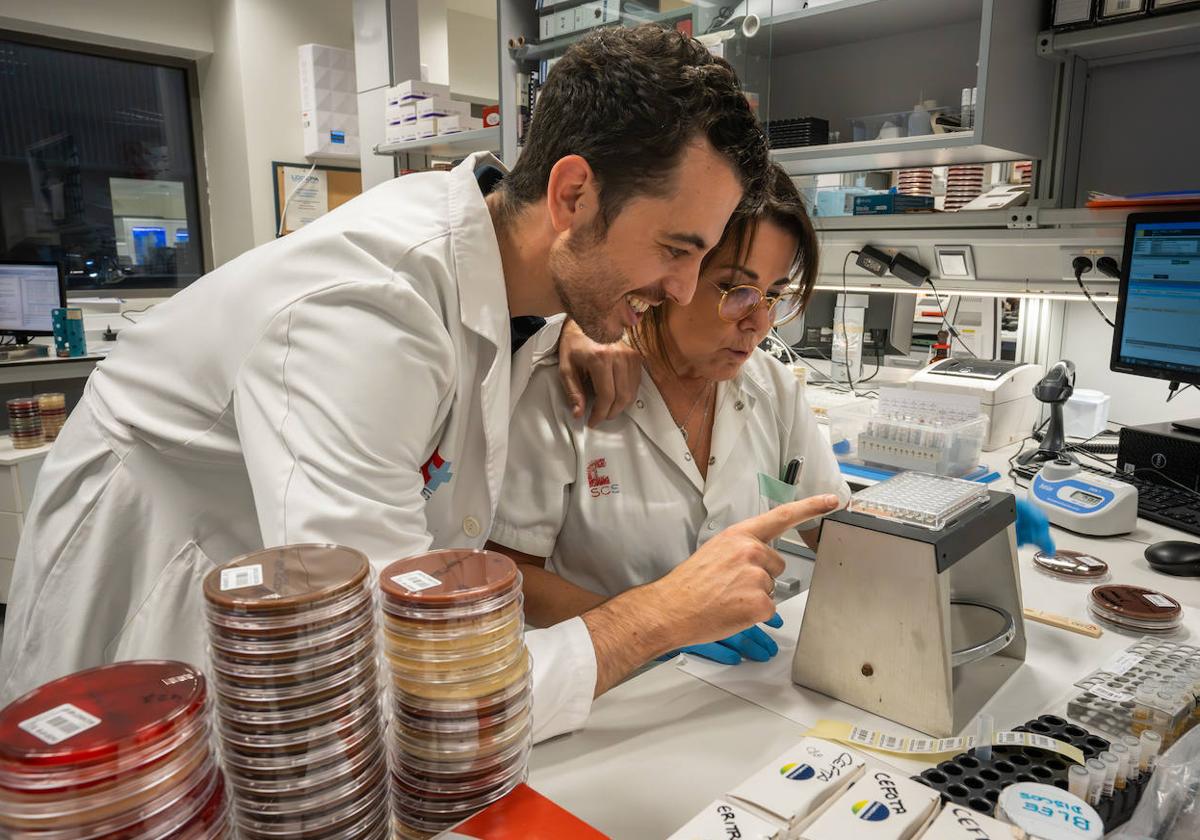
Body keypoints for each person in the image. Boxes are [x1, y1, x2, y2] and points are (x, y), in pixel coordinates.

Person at [0, 26, 838, 744]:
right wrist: (656, 618)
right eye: (678, 249)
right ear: (575, 193)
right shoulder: (364, 313)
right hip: (156, 597)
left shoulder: (517, 282)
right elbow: (386, 672)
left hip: (268, 624)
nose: (687, 292)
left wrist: (587, 317)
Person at [489, 166, 852, 666]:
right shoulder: (564, 386)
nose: (760, 322)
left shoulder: (772, 387)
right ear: (671, 274)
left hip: (741, 692)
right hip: (604, 691)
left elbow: (833, 532)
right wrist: (652, 627)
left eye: (773, 295)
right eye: (735, 290)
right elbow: (507, 571)